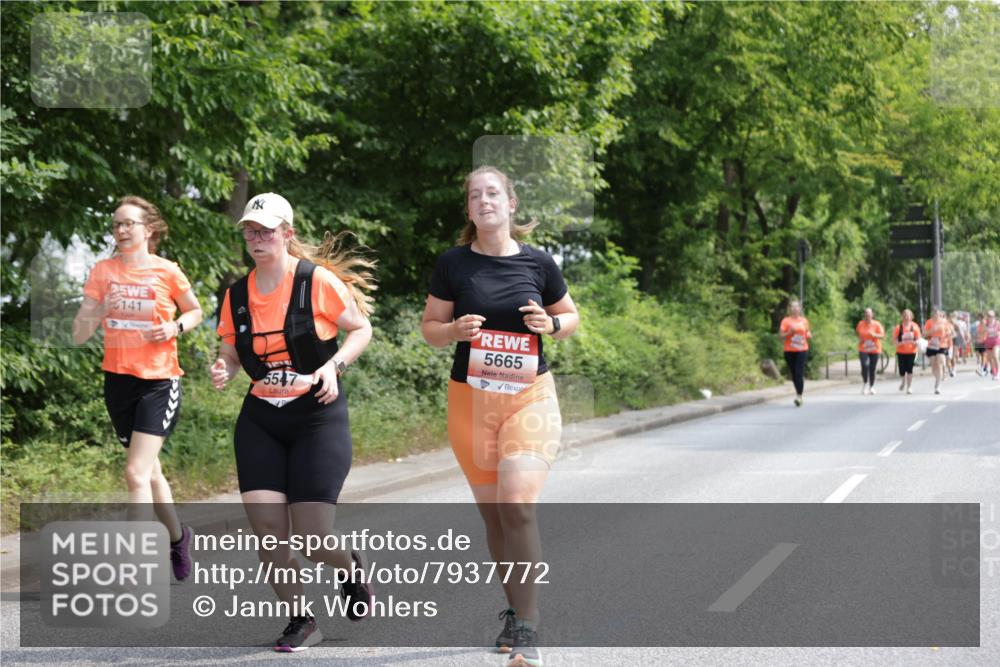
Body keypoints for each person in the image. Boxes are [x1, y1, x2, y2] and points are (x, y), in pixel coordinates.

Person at [422, 166, 579, 667]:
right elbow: (429, 327)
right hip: (471, 402)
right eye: (475, 195)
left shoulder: (539, 262)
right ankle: (515, 608)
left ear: (511, 203)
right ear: (468, 209)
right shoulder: (453, 264)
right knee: (493, 516)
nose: (484, 201)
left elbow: (570, 318)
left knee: (517, 505)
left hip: (529, 396)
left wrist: (550, 324)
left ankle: (528, 630)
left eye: (493, 193)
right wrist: (455, 332)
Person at [210, 193, 376, 652]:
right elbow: (230, 348)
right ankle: (301, 620)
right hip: (261, 418)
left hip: (317, 419)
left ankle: (349, 568)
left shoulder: (315, 282)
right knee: (267, 529)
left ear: (287, 233)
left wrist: (334, 366)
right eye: (250, 231)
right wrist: (225, 365)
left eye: (266, 230)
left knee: (314, 537)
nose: (257, 238)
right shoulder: (237, 295)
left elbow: (360, 329)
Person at [72, 195, 203, 581]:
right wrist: (100, 309)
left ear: (149, 230)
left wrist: (175, 326)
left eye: (129, 223)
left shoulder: (167, 271)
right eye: (116, 224)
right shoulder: (102, 272)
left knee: (134, 473)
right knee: (150, 473)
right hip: (118, 382)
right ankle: (178, 539)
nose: (121, 230)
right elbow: (79, 335)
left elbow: (194, 310)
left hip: (160, 381)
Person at [778, 299, 811, 406]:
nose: (795, 308)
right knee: (793, 374)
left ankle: (799, 396)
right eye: (793, 306)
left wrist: (809, 334)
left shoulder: (804, 321)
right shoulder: (786, 321)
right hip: (789, 350)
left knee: (798, 372)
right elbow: (781, 336)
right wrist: (789, 332)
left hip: (802, 350)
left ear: (800, 309)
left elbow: (807, 332)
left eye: (797, 306)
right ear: (790, 309)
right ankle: (798, 392)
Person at [855, 307, 885, 395]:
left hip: (875, 349)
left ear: (872, 315)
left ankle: (871, 387)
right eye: (866, 314)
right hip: (863, 348)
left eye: (869, 314)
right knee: (865, 365)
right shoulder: (860, 324)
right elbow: (857, 333)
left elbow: (882, 336)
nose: (867, 315)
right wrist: (860, 339)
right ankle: (865, 383)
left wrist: (875, 335)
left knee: (872, 368)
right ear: (864, 315)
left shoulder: (877, 324)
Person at [923, 309, 953, 394]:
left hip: (942, 345)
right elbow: (924, 333)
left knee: (940, 363)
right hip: (932, 345)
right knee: (933, 366)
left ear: (940, 315)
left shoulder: (944, 322)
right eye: (934, 314)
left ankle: (938, 385)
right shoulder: (929, 322)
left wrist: (948, 333)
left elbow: (950, 332)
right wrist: (931, 331)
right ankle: (937, 378)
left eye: (938, 314)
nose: (936, 315)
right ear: (932, 314)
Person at [892, 309, 921, 395]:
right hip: (901, 351)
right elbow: (894, 340)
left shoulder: (915, 327)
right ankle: (903, 382)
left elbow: (918, 339)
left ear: (911, 317)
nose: (906, 317)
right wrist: (899, 343)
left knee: (909, 369)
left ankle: (909, 387)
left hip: (912, 351)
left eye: (908, 315)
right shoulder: (899, 327)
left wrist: (915, 342)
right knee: (902, 370)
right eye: (904, 315)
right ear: (902, 317)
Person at [985, 310, 1000, 381]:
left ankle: (998, 373)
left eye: (991, 316)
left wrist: (998, 334)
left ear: (994, 316)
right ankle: (994, 373)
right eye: (988, 316)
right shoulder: (986, 323)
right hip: (988, 342)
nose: (990, 317)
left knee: (995, 356)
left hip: (996, 341)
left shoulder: (997, 323)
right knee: (990, 359)